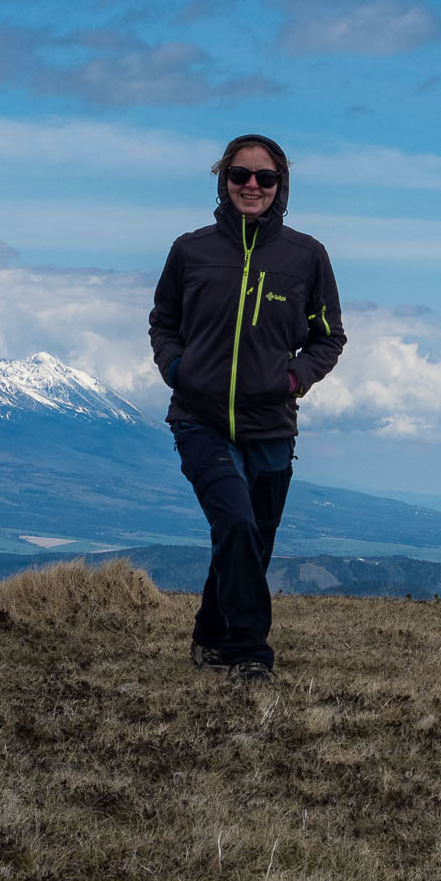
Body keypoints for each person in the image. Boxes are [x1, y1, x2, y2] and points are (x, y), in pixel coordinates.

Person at [149, 133, 345, 680]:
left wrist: (292, 380)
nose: (251, 185)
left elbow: (329, 336)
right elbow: (163, 321)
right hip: (199, 420)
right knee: (234, 523)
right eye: (240, 175)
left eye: (264, 177)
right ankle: (249, 652)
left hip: (271, 425)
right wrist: (177, 370)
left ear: (281, 185)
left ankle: (209, 635)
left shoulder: (307, 257)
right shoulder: (191, 251)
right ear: (223, 180)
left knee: (252, 540)